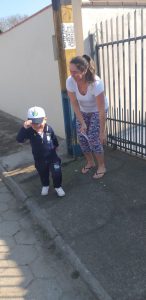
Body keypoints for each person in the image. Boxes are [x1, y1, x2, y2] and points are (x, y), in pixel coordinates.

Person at [66, 54, 108, 179]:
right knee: (82, 137)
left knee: (94, 138)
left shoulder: (96, 83)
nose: (72, 75)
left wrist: (102, 132)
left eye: (75, 72)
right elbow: (74, 103)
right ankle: (90, 162)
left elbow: (101, 110)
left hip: (97, 110)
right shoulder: (70, 81)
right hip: (83, 111)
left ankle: (102, 166)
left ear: (84, 70)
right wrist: (82, 122)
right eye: (70, 71)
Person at [16, 106, 65, 197]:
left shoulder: (48, 129)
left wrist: (56, 145)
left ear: (45, 119)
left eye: (39, 123)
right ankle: (45, 185)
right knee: (43, 173)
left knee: (57, 173)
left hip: (52, 157)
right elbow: (19, 139)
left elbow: (53, 138)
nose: (37, 126)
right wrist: (24, 127)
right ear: (29, 122)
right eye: (33, 123)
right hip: (39, 159)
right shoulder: (29, 131)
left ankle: (57, 186)